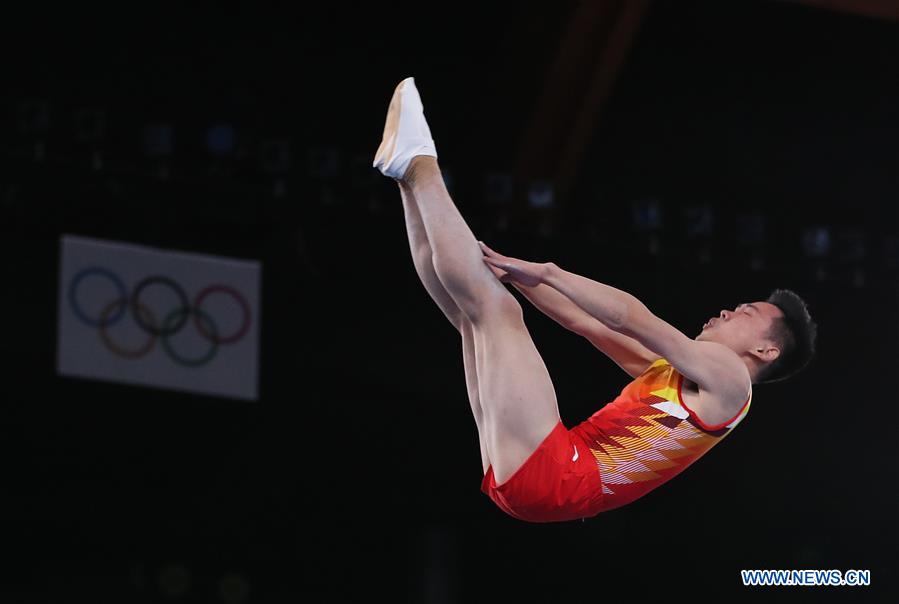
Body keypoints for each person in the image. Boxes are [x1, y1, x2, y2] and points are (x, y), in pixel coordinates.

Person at [373, 77, 818, 523]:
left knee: (494, 312)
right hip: (540, 483)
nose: (727, 310)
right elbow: (587, 323)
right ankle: (409, 182)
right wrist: (521, 277)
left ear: (765, 350)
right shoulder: (679, 381)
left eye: (745, 313)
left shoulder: (733, 382)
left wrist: (549, 272)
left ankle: (418, 164)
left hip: (563, 475)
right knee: (473, 315)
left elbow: (630, 317)